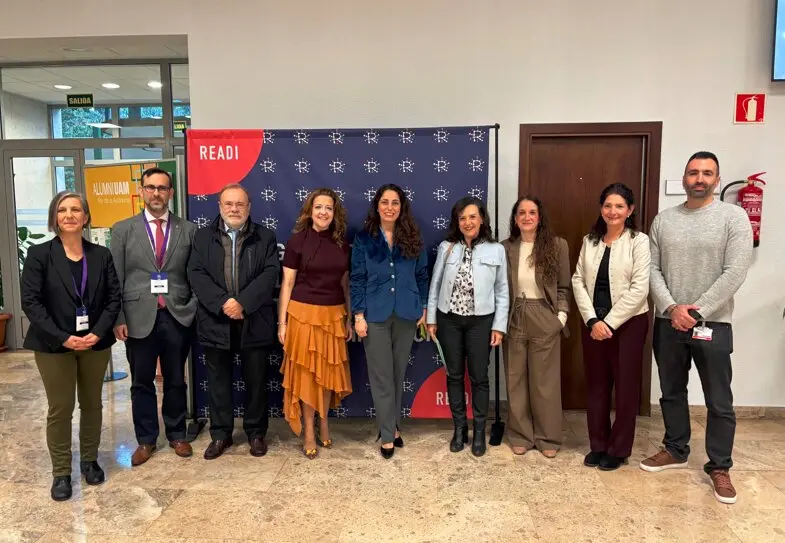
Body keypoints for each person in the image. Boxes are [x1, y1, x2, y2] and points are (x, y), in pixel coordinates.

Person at [640, 151, 752, 505]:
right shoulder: (664, 220)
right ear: (684, 178)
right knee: (672, 391)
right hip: (667, 322)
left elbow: (735, 271)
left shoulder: (733, 218)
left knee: (719, 399)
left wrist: (696, 310)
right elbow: (651, 269)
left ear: (717, 179)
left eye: (706, 173)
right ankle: (675, 449)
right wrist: (672, 308)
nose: (699, 178)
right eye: (693, 172)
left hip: (713, 323)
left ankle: (720, 466)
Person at [21, 191, 121, 501]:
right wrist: (63, 337)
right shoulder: (39, 254)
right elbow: (31, 302)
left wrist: (98, 332)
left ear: (86, 217)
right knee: (60, 408)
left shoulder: (101, 255)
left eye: (76, 210)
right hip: (53, 345)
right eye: (62, 210)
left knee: (92, 404)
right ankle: (61, 472)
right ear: (54, 217)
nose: (69, 215)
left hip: (94, 343)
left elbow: (113, 298)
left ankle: (89, 461)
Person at [111, 167, 197, 466]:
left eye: (162, 188)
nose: (156, 193)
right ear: (142, 192)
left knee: (175, 379)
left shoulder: (188, 230)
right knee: (141, 382)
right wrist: (118, 317)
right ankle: (146, 439)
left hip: (176, 314)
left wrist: (192, 306)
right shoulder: (123, 230)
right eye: (151, 187)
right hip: (137, 316)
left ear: (170, 192)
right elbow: (115, 277)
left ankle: (177, 434)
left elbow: (195, 274)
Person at [188, 184, 280, 459]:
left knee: (256, 382)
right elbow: (196, 273)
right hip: (215, 320)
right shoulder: (202, 237)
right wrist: (223, 303)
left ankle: (256, 433)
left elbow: (270, 274)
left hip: (255, 320)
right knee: (217, 382)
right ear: (219, 206)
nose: (234, 209)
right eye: (228, 204)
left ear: (249, 207)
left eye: (240, 204)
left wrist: (243, 303)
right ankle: (220, 434)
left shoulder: (265, 236)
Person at [572, 183, 651, 471]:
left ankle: (618, 450)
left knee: (626, 388)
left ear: (630, 210)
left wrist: (609, 322)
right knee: (597, 386)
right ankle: (598, 445)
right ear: (601, 209)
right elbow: (578, 280)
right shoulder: (590, 241)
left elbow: (640, 288)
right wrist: (593, 320)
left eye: (619, 206)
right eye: (608, 205)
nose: (613, 211)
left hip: (629, 324)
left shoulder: (638, 241)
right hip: (593, 324)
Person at [350, 184, 428, 459]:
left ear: (402, 207)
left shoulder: (413, 236)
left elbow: (422, 274)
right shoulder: (364, 239)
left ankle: (392, 427)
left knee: (397, 374)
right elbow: (357, 278)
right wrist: (358, 315)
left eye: (395, 202)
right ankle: (387, 435)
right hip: (375, 316)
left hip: (407, 313)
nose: (390, 207)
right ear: (377, 205)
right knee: (381, 377)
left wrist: (424, 306)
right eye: (385, 202)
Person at [427, 196, 509, 457]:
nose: (468, 222)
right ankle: (459, 429)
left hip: (481, 322)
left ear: (482, 219)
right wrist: (431, 319)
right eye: (462, 218)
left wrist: (499, 326)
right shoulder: (447, 247)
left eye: (472, 217)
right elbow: (435, 284)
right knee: (453, 375)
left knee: (479, 377)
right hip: (449, 319)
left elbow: (502, 291)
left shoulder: (496, 250)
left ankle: (479, 431)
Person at [279, 188, 352, 459]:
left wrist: (348, 317)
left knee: (327, 375)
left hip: (333, 315)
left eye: (329, 208)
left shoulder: (342, 244)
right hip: (302, 315)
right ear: (310, 211)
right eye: (318, 207)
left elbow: (345, 284)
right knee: (308, 376)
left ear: (335, 213)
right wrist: (282, 323)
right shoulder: (297, 241)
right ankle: (309, 430)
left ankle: (324, 421)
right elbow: (287, 283)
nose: (323, 212)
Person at [501, 196, 571, 458]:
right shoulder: (505, 247)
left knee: (545, 382)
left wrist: (560, 317)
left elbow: (564, 286)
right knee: (515, 378)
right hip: (515, 314)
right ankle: (520, 435)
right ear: (515, 218)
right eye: (521, 212)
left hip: (544, 313)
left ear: (540, 217)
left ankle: (548, 436)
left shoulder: (557, 245)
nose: (527, 217)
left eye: (532, 212)